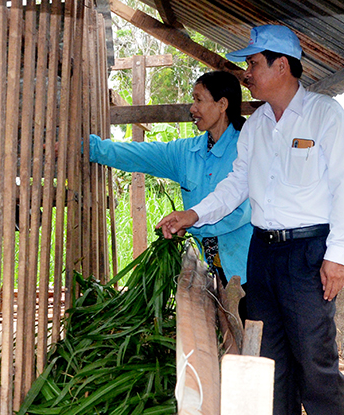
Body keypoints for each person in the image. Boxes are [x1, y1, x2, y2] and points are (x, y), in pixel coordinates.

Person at [157, 25, 344, 415]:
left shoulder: (326, 115)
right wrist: (193, 214)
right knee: (270, 356)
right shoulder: (257, 127)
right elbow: (236, 185)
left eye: (253, 63)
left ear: (281, 65)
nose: (246, 73)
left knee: (314, 357)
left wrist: (336, 256)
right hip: (263, 253)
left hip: (309, 252)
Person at [89, 70, 252, 288]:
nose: (192, 108)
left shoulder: (247, 147)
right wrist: (89, 148)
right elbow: (138, 155)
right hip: (215, 271)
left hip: (249, 270)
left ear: (222, 104)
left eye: (198, 100)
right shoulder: (187, 153)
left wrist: (190, 221)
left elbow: (238, 213)